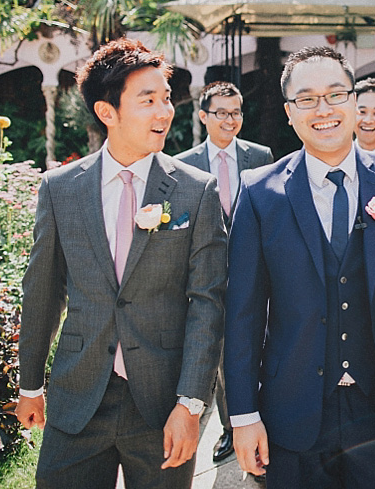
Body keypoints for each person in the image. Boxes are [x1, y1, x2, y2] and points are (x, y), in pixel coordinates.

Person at [224, 46, 375, 489]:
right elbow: (243, 313)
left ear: (355, 102)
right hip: (290, 406)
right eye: (307, 99)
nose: (324, 109)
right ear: (289, 112)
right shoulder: (259, 192)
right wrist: (243, 414)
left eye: (336, 95)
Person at [15, 38, 227, 489]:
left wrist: (191, 404)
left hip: (161, 402)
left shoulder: (197, 190)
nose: (164, 112)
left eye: (166, 98)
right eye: (147, 100)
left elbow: (207, 303)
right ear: (106, 112)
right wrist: (30, 383)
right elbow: (42, 291)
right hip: (77, 397)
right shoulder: (60, 188)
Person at [175, 80, 273, 468]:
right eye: (221, 112)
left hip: (254, 273)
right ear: (203, 116)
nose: (230, 120)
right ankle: (232, 429)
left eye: (236, 112)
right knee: (215, 354)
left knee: (252, 348)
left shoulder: (261, 156)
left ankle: (252, 422)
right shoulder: (184, 163)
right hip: (206, 274)